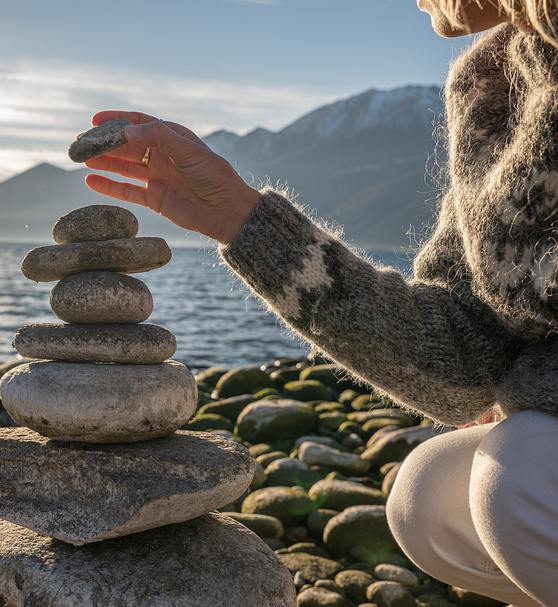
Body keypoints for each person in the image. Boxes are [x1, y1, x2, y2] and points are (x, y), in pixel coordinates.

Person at [82, 1, 558, 604]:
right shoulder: (494, 83)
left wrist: (530, 399)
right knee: (432, 498)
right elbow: (463, 356)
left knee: (524, 470)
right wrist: (240, 218)